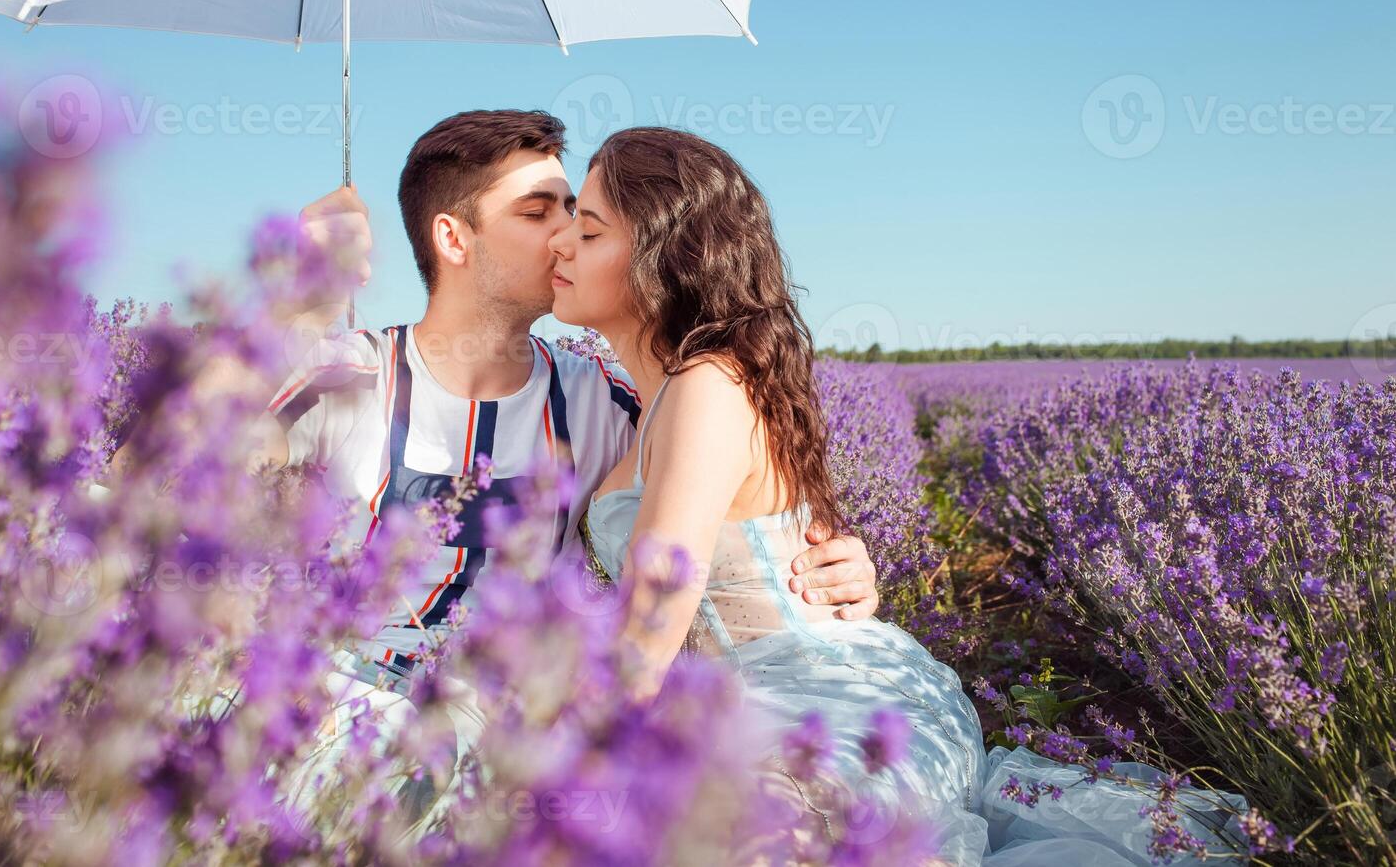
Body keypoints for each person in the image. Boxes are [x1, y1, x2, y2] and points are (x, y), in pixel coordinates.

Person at [547, 127, 1251, 866]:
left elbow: (653, 619)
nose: (562, 244)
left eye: (588, 229)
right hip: (757, 699)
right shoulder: (656, 399)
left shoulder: (707, 388)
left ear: (668, 256)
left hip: (829, 709)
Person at [150, 110, 880, 821]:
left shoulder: (603, 396)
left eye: (576, 214)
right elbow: (151, 483)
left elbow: (735, 496)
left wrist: (834, 565)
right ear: (453, 238)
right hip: (340, 713)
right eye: (537, 214)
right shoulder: (351, 372)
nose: (566, 234)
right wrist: (288, 306)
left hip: (511, 730)